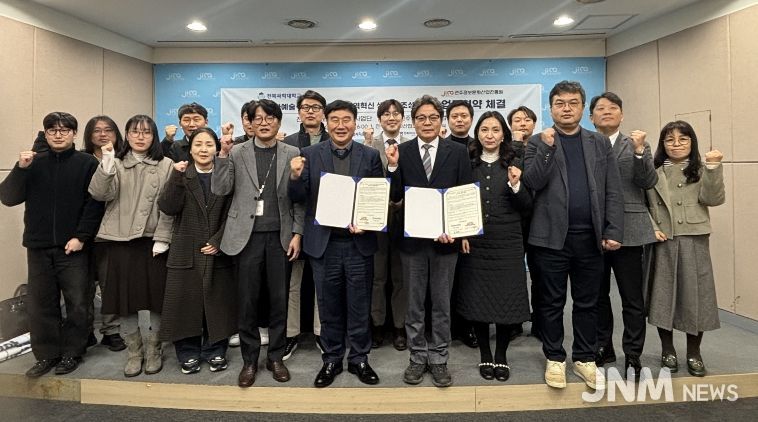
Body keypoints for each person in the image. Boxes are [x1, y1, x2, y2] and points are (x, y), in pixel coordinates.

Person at [522, 80, 624, 390]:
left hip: (590, 238)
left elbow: (613, 189)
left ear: (582, 108)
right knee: (551, 302)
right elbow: (533, 182)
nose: (566, 109)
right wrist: (548, 149)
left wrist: (613, 229)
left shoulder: (598, 143)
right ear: (550, 108)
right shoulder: (537, 142)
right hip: (550, 238)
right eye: (560, 103)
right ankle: (554, 357)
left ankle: (584, 358)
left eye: (573, 103)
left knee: (588, 302)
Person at [1, 112, 104, 377]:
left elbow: (94, 204)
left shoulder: (86, 163)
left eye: (64, 130)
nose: (58, 135)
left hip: (74, 246)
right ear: (45, 134)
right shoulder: (32, 162)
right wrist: (20, 168)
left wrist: (81, 237)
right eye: (52, 130)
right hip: (38, 245)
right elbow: (8, 197)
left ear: (74, 133)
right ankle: (46, 354)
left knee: (78, 302)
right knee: (41, 304)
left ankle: (72, 352)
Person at [288, 99, 383, 388]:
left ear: (355, 123)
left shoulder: (370, 155)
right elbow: (299, 197)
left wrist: (367, 221)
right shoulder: (309, 154)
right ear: (326, 123)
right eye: (335, 120)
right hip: (324, 244)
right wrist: (295, 176)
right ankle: (331, 359)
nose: (341, 126)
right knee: (328, 307)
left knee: (359, 305)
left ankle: (359, 359)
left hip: (358, 244)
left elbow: (377, 197)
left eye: (346, 120)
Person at [212, 99, 304, 387]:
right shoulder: (237, 151)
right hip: (246, 237)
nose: (264, 123)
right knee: (248, 301)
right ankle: (249, 360)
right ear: (250, 123)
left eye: (270, 118)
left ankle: (276, 357)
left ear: (279, 122)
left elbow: (298, 199)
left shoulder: (292, 152)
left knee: (279, 300)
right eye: (258, 118)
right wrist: (222, 155)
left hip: (280, 237)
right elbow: (220, 188)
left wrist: (298, 233)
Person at [386, 95, 474, 388]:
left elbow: (463, 194)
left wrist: (457, 230)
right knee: (414, 304)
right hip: (412, 242)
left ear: (441, 121)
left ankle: (438, 358)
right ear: (413, 122)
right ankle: (417, 357)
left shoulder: (457, 152)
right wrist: (393, 168)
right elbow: (394, 197)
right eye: (421, 118)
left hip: (445, 242)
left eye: (433, 117)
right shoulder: (402, 151)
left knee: (441, 303)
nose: (427, 123)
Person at [88, 115, 174, 377]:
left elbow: (170, 207)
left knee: (156, 300)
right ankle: (134, 352)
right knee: (125, 302)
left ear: (154, 136)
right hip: (120, 241)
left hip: (153, 241)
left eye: (146, 132)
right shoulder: (114, 162)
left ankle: (154, 349)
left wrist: (163, 238)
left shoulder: (166, 164)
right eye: (135, 132)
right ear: (126, 135)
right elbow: (99, 193)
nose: (140, 137)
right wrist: (106, 162)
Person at [456, 111, 532, 382]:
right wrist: (462, 233)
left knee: (504, 299)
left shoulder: (516, 161)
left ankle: (501, 354)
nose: (490, 135)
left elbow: (527, 206)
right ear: (477, 134)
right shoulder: (467, 162)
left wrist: (516, 185)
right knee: (478, 298)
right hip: (475, 240)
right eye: (485, 130)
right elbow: (458, 201)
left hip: (507, 240)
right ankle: (485, 353)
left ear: (503, 135)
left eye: (495, 130)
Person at [646, 120, 725, 377]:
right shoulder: (653, 171)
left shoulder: (701, 169)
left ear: (692, 142)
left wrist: (713, 167)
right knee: (662, 296)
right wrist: (651, 227)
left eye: (683, 139)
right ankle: (667, 350)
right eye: (670, 139)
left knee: (696, 296)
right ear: (662, 144)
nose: (676, 144)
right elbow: (642, 205)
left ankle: (694, 352)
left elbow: (713, 199)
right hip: (663, 239)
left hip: (694, 239)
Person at [589, 92, 658, 380]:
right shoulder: (585, 144)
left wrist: (640, 152)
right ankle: (603, 346)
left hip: (630, 230)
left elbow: (648, 181)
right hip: (594, 229)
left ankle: (633, 354)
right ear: (591, 116)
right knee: (597, 295)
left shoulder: (637, 144)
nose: (606, 111)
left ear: (622, 115)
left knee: (632, 298)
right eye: (600, 108)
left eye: (613, 108)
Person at [158, 128, 237, 375]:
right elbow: (168, 207)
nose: (204, 149)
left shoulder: (225, 174)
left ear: (217, 148)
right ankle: (187, 352)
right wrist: (176, 177)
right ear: (190, 149)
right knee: (185, 303)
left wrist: (219, 240)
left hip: (217, 249)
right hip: (185, 248)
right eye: (198, 144)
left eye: (209, 144)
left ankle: (216, 350)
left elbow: (234, 212)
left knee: (217, 303)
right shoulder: (182, 174)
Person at [282, 90, 331, 359]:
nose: (310, 111)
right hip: (295, 222)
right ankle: (291, 334)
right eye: (305, 107)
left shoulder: (334, 140)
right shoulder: (289, 143)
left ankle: (321, 333)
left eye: (316, 107)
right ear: (299, 112)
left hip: (327, 223)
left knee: (323, 283)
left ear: (323, 112)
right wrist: (296, 230)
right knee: (294, 282)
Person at [362, 99, 409, 351]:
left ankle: (400, 327)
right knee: (377, 277)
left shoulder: (410, 145)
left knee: (401, 277)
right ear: (379, 119)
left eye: (396, 114)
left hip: (404, 220)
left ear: (403, 118)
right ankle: (377, 324)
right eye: (386, 114)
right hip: (376, 221)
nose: (391, 118)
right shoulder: (368, 146)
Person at [81, 116, 126, 352]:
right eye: (97, 130)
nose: (103, 134)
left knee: (110, 286)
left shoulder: (124, 160)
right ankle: (85, 331)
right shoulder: (81, 160)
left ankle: (111, 331)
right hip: (82, 233)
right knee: (83, 286)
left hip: (111, 234)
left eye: (108, 130)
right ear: (89, 135)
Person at [506, 105, 539, 341]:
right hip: (513, 219)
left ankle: (539, 320)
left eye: (527, 120)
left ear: (534, 124)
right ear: (510, 126)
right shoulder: (506, 148)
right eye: (517, 120)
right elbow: (513, 171)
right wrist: (516, 144)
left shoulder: (542, 146)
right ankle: (513, 320)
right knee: (514, 273)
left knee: (539, 273)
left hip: (538, 219)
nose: (522, 124)